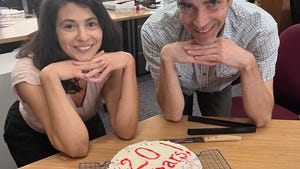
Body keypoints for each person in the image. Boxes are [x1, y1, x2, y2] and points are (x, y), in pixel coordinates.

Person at [3, 0, 139, 167]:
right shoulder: (27, 71)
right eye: (69, 26)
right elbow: (77, 148)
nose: (83, 37)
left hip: (85, 123)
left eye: (91, 24)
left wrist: (129, 63)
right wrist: (50, 76)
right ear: (53, 31)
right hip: (34, 135)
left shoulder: (106, 60)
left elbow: (126, 130)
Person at [141, 0, 279, 127]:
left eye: (212, 3)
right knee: (176, 130)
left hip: (219, 84)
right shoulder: (155, 30)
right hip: (180, 83)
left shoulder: (260, 27)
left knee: (219, 128)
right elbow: (173, 114)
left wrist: (248, 64)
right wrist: (167, 59)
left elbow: (262, 117)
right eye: (187, 6)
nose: (200, 23)